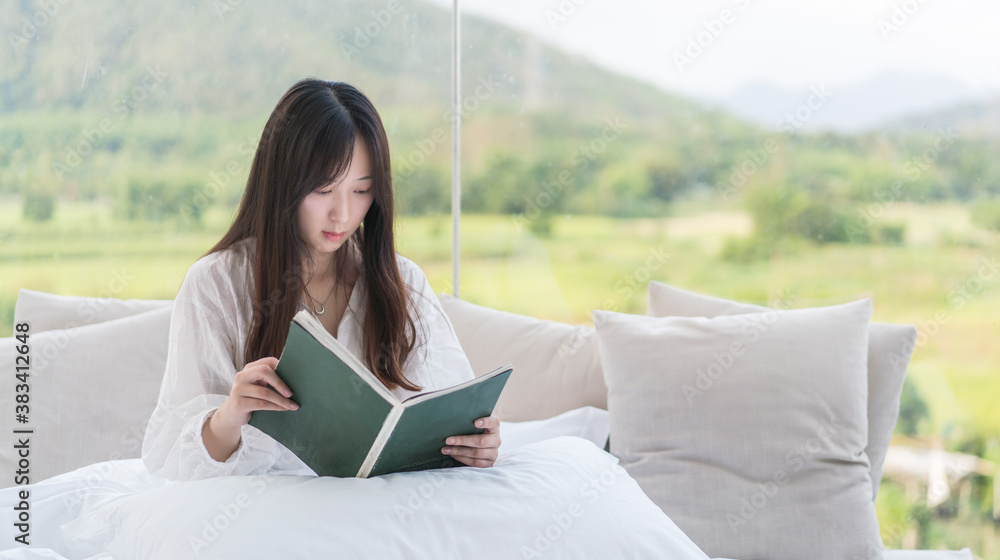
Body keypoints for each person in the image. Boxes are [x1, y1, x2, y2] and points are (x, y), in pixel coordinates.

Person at [141, 79, 500, 481]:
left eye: (362, 191)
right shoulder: (216, 284)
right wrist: (229, 417)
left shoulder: (402, 282)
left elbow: (450, 407)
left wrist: (476, 442)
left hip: (380, 508)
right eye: (323, 189)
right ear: (282, 185)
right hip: (260, 513)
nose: (343, 215)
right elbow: (172, 462)